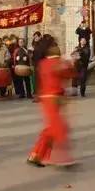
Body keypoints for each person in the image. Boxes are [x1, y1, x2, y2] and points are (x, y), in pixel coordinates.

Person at [27, 37, 76, 168]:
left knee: (51, 128)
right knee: (58, 127)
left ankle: (36, 155)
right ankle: (62, 157)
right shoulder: (56, 62)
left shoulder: (44, 63)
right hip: (53, 98)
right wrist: (71, 63)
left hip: (49, 98)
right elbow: (68, 73)